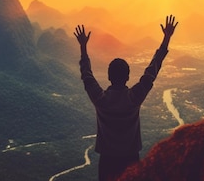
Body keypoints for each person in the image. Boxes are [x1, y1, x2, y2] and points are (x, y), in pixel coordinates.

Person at [74, 15, 178, 181]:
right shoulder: (134, 98)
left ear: (109, 77)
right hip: (131, 159)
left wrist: (83, 47)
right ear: (127, 77)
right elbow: (152, 70)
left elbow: (86, 75)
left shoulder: (101, 101)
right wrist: (166, 38)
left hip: (107, 161)